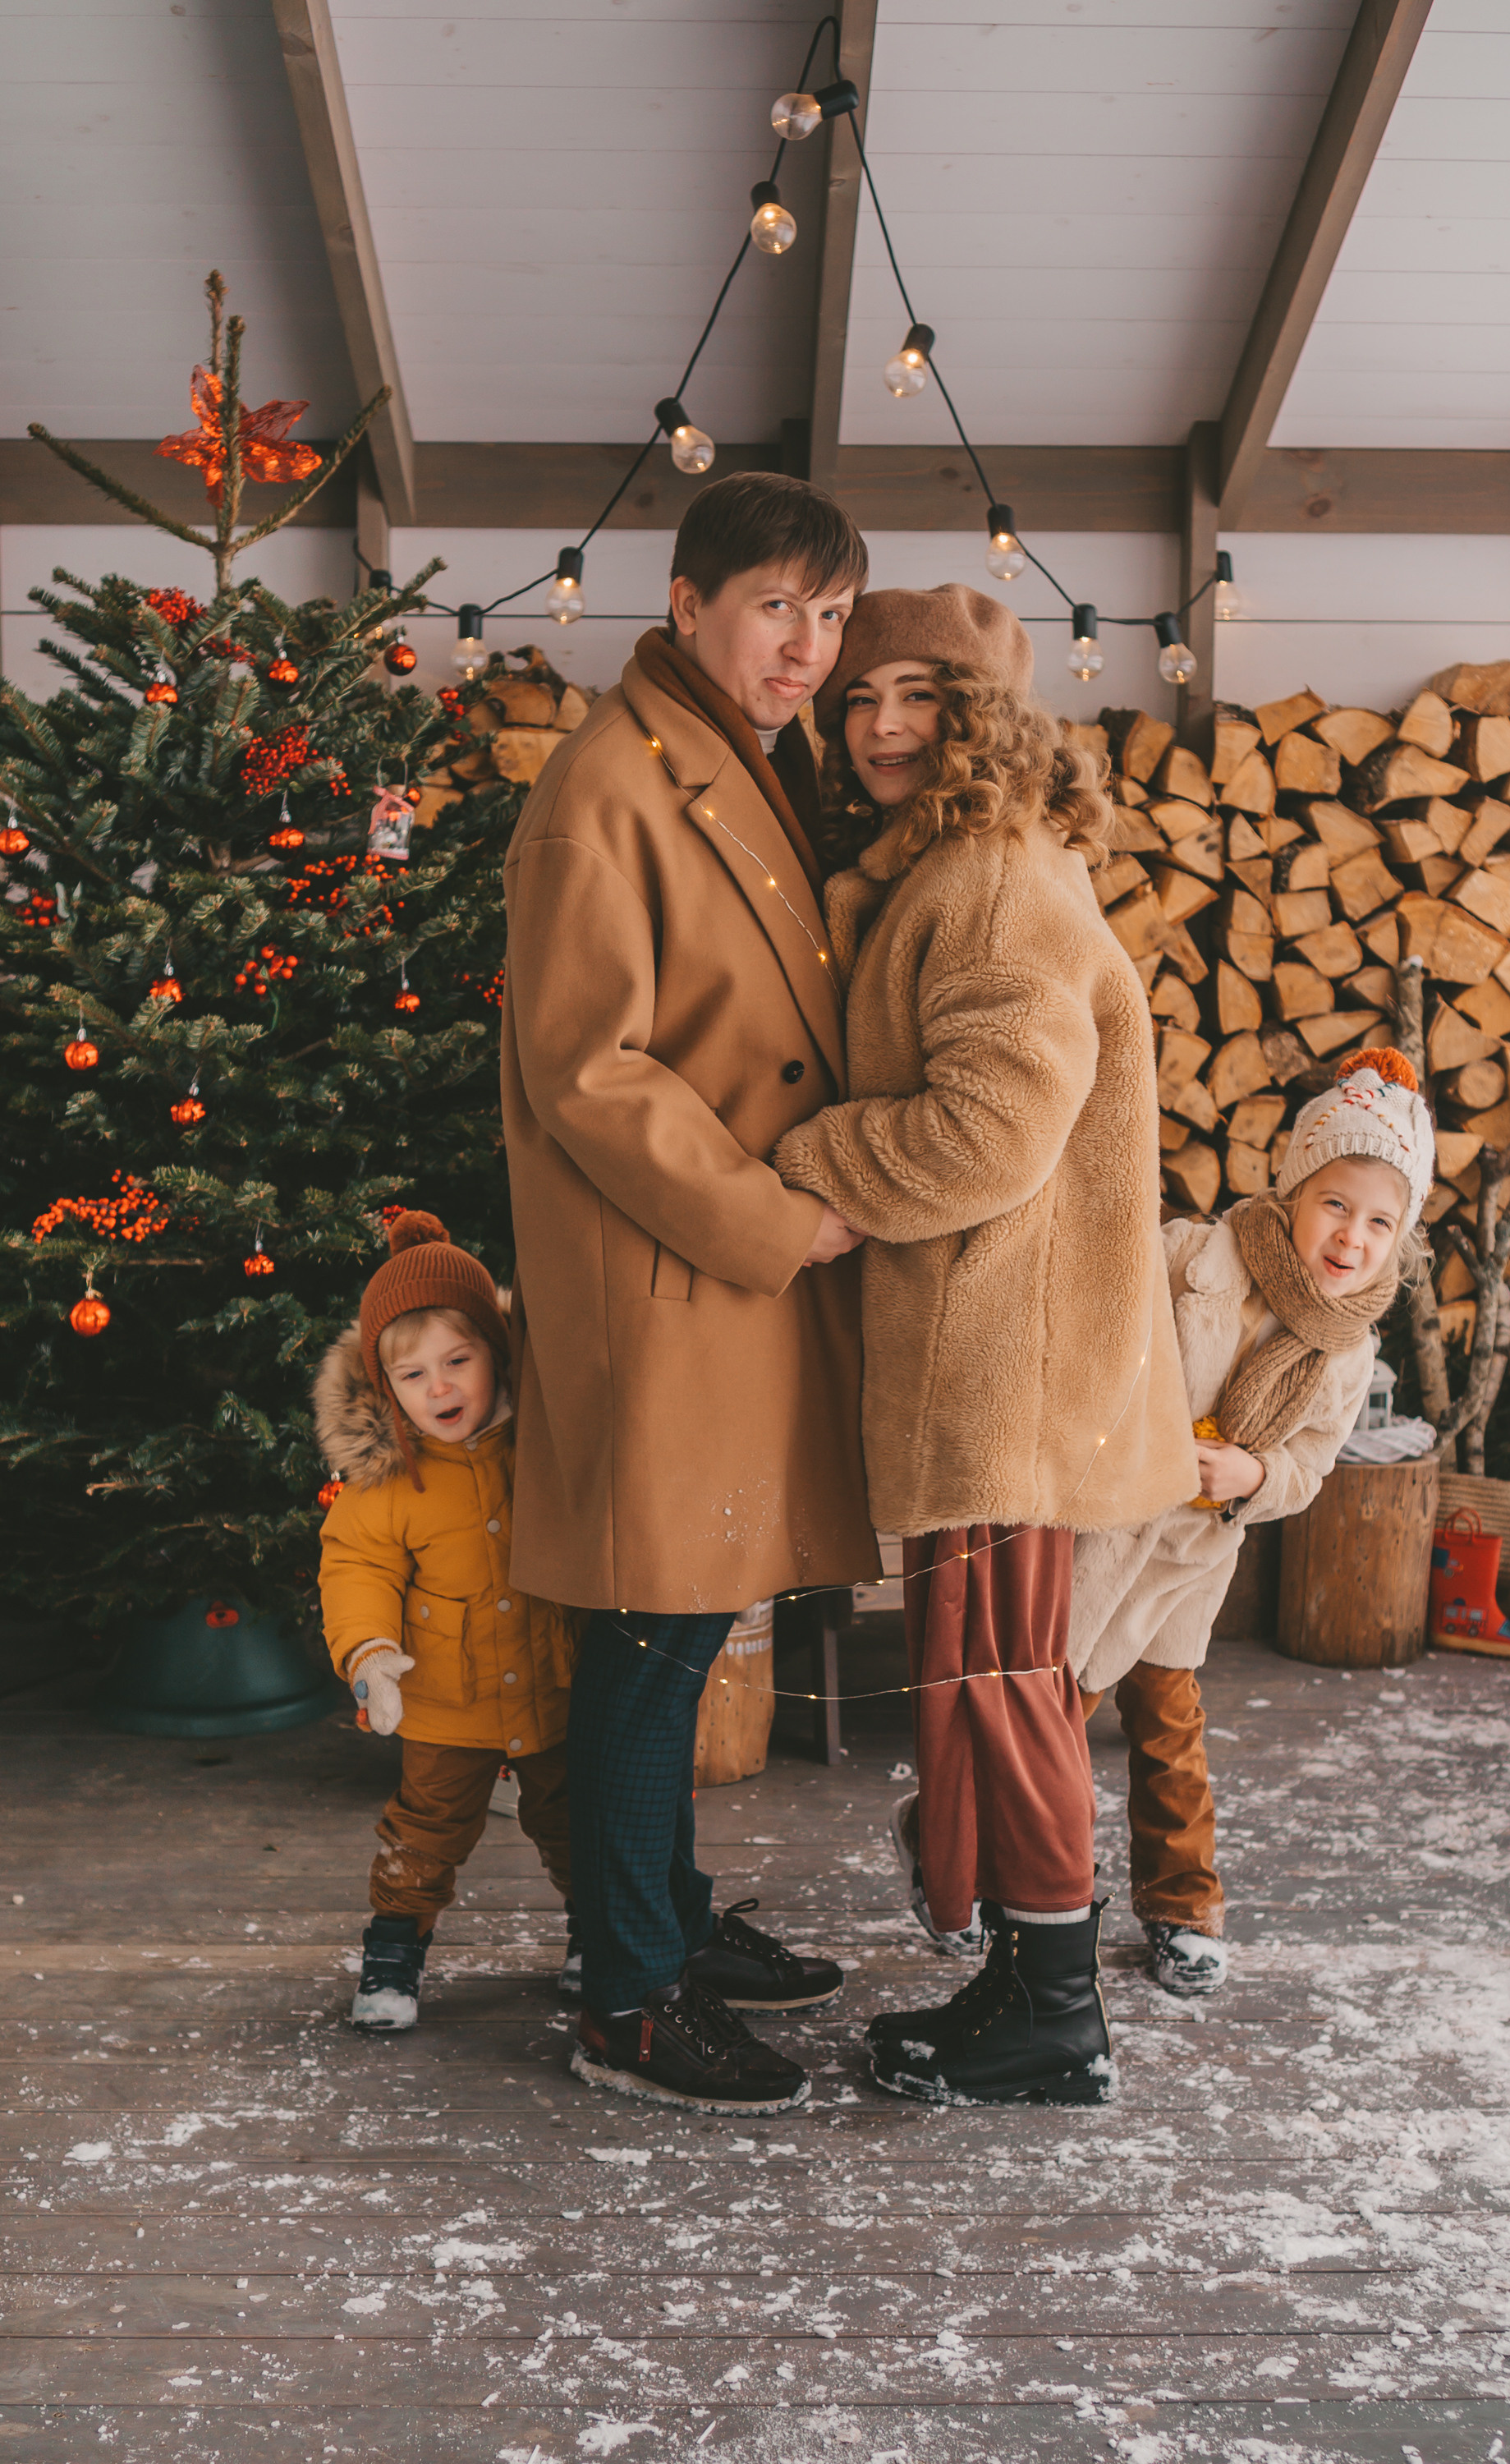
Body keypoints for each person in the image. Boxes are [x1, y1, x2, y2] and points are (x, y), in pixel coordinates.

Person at [773, 585, 1200, 2107]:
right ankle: (1023, 1980)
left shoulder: (994, 880)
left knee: (1010, 1681)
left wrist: (809, 1159)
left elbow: (991, 1130)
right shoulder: (957, 865)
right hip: (993, 1358)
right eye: (859, 697)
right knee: (990, 1675)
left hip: (1008, 1366)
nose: (879, 726)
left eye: (918, 695)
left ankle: (1055, 2012)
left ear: (982, 715)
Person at [500, 472, 881, 2114]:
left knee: (682, 1620)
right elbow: (588, 1068)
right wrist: (772, 1219)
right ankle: (629, 2000)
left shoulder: (743, 755)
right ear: (686, 605)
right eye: (776, 606)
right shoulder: (606, 784)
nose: (808, 649)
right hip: (675, 1266)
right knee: (657, 1635)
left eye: (832, 615)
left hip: (720, 1271)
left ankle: (661, 1916)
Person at [1066, 1048, 1434, 1998]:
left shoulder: (1344, 1353)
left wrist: (1253, 1473)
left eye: (1379, 1222)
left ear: (1399, 1238)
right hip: (1107, 1533)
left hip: (1189, 1558)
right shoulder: (1194, 1258)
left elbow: (1308, 1467)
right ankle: (979, 1861)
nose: (1350, 1236)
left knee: (1168, 1729)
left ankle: (1182, 1907)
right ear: (1293, 1189)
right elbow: (1103, 1328)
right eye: (1334, 1204)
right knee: (1051, 1714)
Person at [314, 1211, 581, 2032]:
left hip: (555, 1687)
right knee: (424, 1833)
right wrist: (370, 1653)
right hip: (444, 1702)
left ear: (496, 1351)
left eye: (457, 1361)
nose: (439, 1389)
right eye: (413, 1374)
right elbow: (356, 1569)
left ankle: (599, 1934)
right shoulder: (387, 1482)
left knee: (578, 1819)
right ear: (383, 1386)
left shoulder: (542, 1444)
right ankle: (394, 1953)